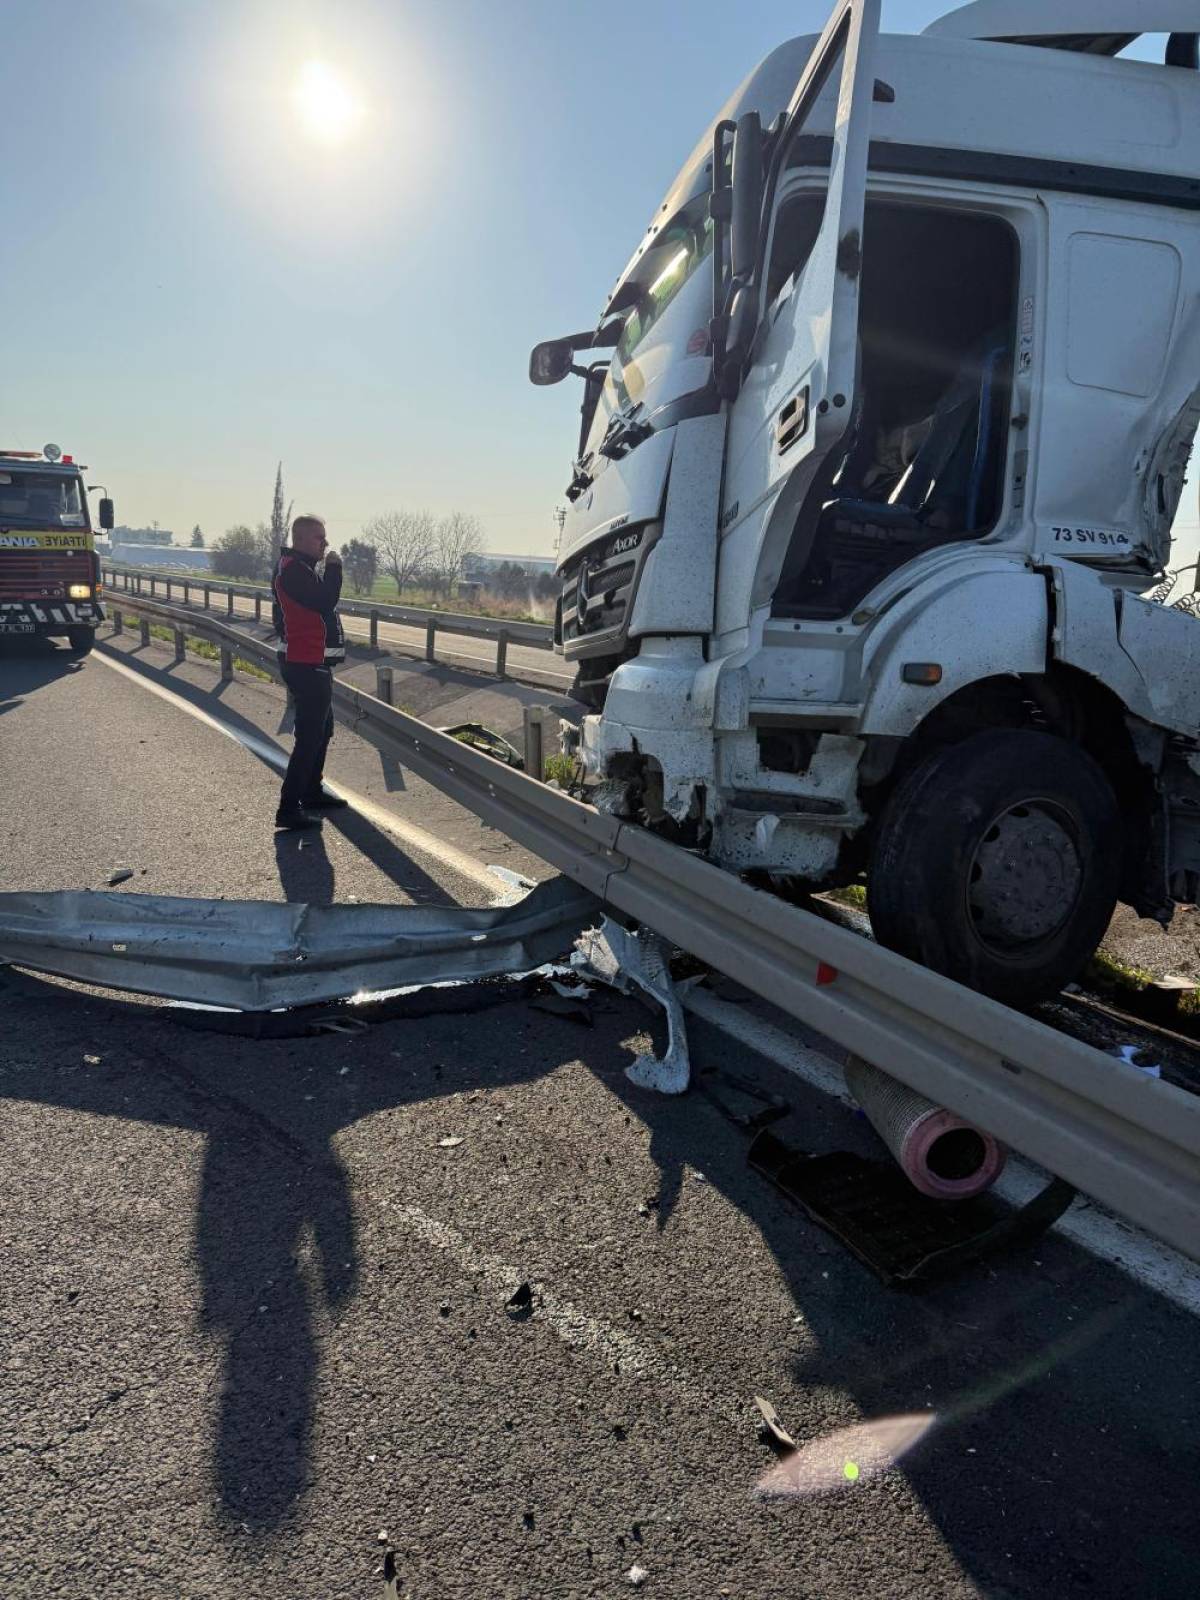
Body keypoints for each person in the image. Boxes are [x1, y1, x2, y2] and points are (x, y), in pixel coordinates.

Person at [271, 513, 350, 829]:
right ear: (300, 540)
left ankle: (312, 791)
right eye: (320, 538)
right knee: (309, 737)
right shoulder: (293, 572)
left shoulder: (300, 569)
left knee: (323, 730)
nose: (325, 544)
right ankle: (289, 808)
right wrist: (334, 568)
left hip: (313, 662)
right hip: (304, 664)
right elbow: (325, 600)